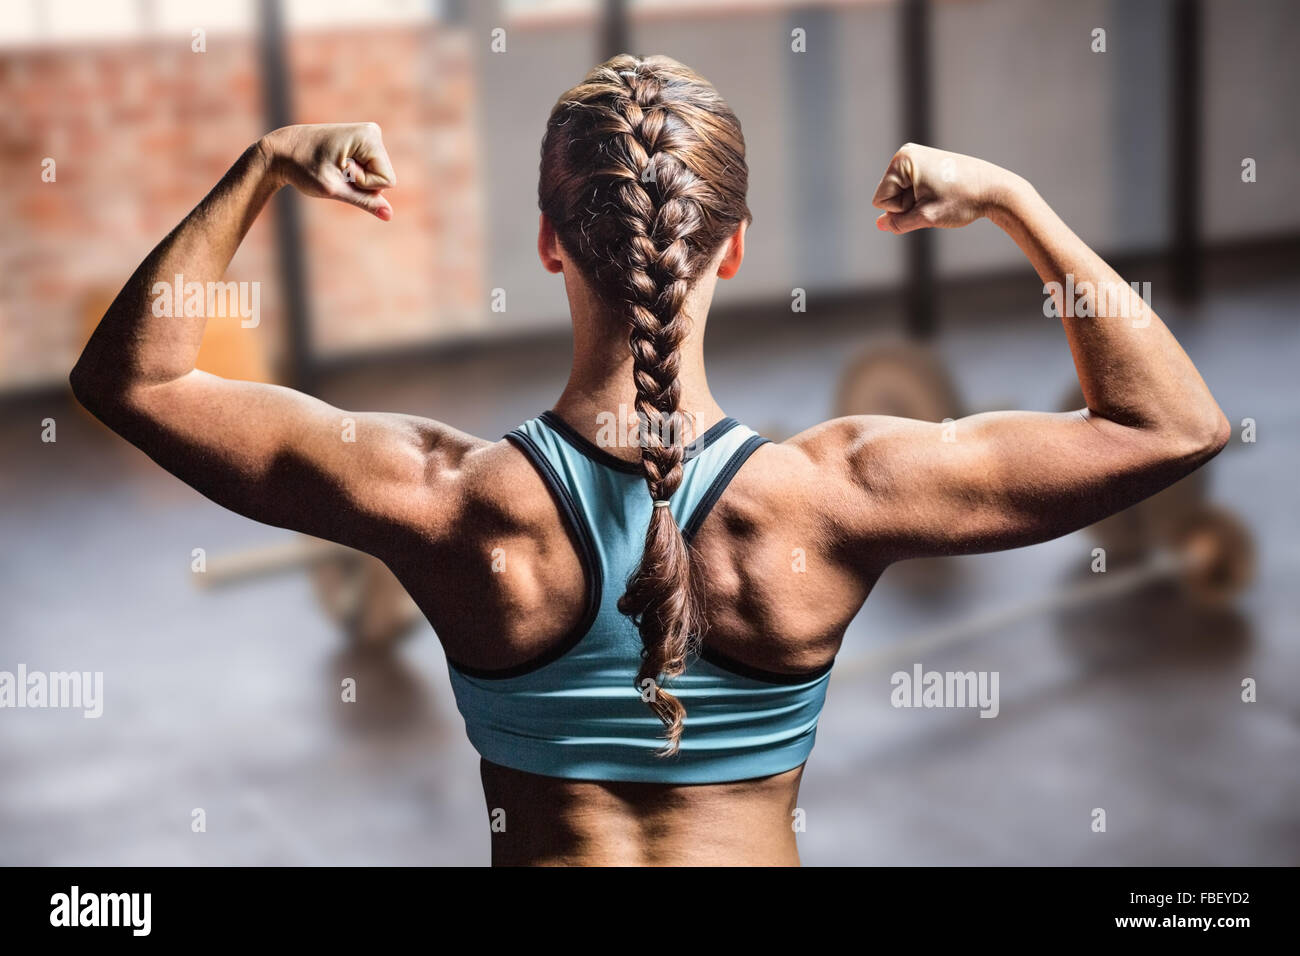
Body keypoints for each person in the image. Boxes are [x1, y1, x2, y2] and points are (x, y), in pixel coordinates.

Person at [70, 55, 1229, 866]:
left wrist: (265, 164)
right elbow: (1166, 423)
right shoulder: (833, 495)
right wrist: (1015, 202)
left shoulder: (449, 499)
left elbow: (135, 379)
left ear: (545, 242)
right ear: (732, 251)